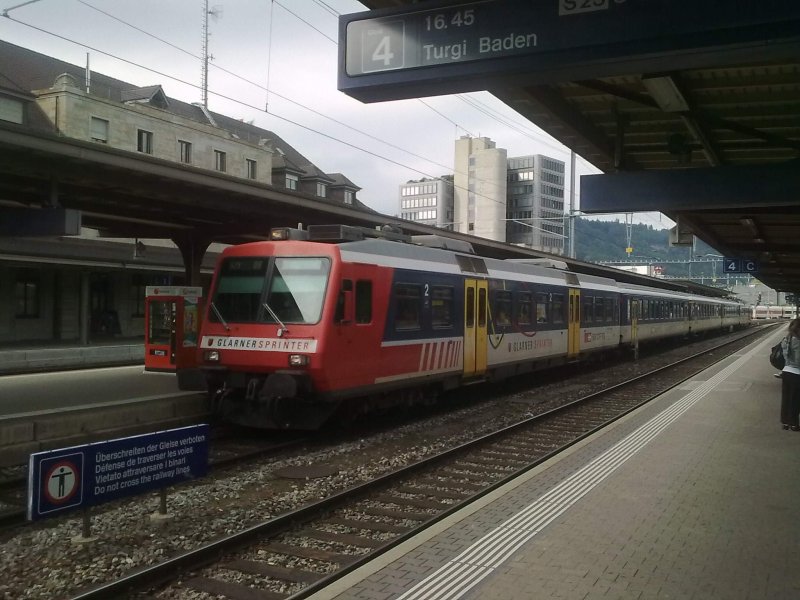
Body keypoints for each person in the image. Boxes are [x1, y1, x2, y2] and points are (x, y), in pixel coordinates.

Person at [779, 318, 800, 430]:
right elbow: (798, 360)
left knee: (786, 399)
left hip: (786, 371)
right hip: (796, 373)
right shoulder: (798, 341)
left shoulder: (787, 338)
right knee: (795, 400)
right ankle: (794, 424)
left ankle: (785, 423)